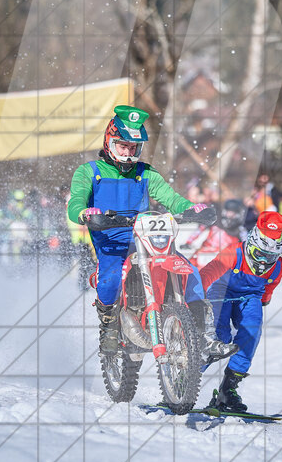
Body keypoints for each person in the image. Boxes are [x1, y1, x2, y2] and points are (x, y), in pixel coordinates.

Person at [66, 104, 234, 362]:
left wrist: (192, 208)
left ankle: (203, 336)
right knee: (110, 278)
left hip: (147, 239)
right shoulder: (89, 172)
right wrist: (85, 212)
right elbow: (76, 201)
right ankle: (108, 325)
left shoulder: (146, 173)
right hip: (111, 242)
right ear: (109, 142)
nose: (129, 153)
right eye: (123, 145)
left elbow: (171, 198)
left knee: (190, 272)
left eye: (134, 147)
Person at [200, 211, 282, 413]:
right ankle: (187, 379)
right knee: (219, 335)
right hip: (222, 292)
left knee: (252, 331)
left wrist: (263, 301)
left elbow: (268, 287)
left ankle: (228, 390)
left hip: (251, 297)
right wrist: (196, 293)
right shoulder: (234, 252)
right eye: (261, 255)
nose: (264, 262)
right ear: (251, 245)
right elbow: (210, 271)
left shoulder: (278, 267)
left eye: (270, 257)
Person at [181, 199, 244, 268]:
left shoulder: (241, 231)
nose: (229, 216)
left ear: (238, 215)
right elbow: (200, 229)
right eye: (228, 212)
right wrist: (188, 242)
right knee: (186, 268)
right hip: (203, 253)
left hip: (220, 260)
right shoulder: (216, 220)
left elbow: (246, 246)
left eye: (232, 214)